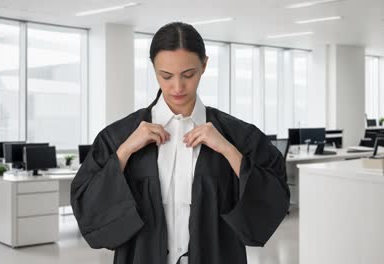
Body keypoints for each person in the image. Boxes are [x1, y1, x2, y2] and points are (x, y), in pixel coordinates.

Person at [71, 22, 290, 264]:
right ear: (154, 69)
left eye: (188, 74)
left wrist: (228, 150)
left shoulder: (237, 135)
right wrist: (124, 152)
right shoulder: (119, 136)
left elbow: (274, 197)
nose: (177, 86)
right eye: (166, 76)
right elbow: (87, 206)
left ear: (204, 65)